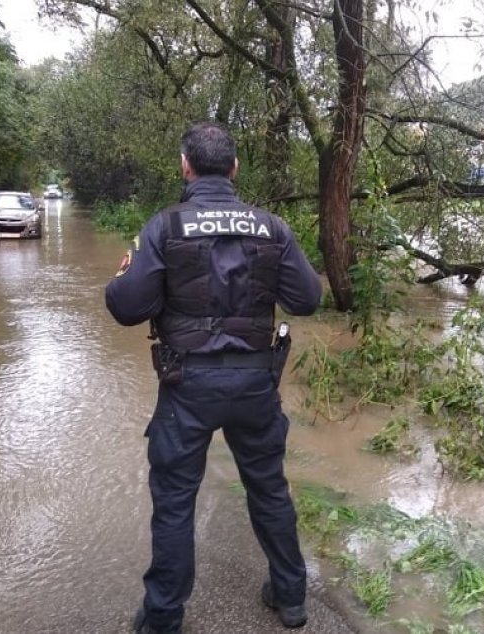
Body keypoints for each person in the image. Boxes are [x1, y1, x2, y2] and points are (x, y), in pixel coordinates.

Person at [105, 122, 322, 634]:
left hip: (187, 388)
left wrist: (135, 277)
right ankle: (291, 598)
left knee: (176, 501)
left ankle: (162, 618)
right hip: (255, 385)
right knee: (269, 489)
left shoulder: (164, 227)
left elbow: (124, 307)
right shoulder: (272, 228)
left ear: (185, 165)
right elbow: (308, 299)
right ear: (234, 168)